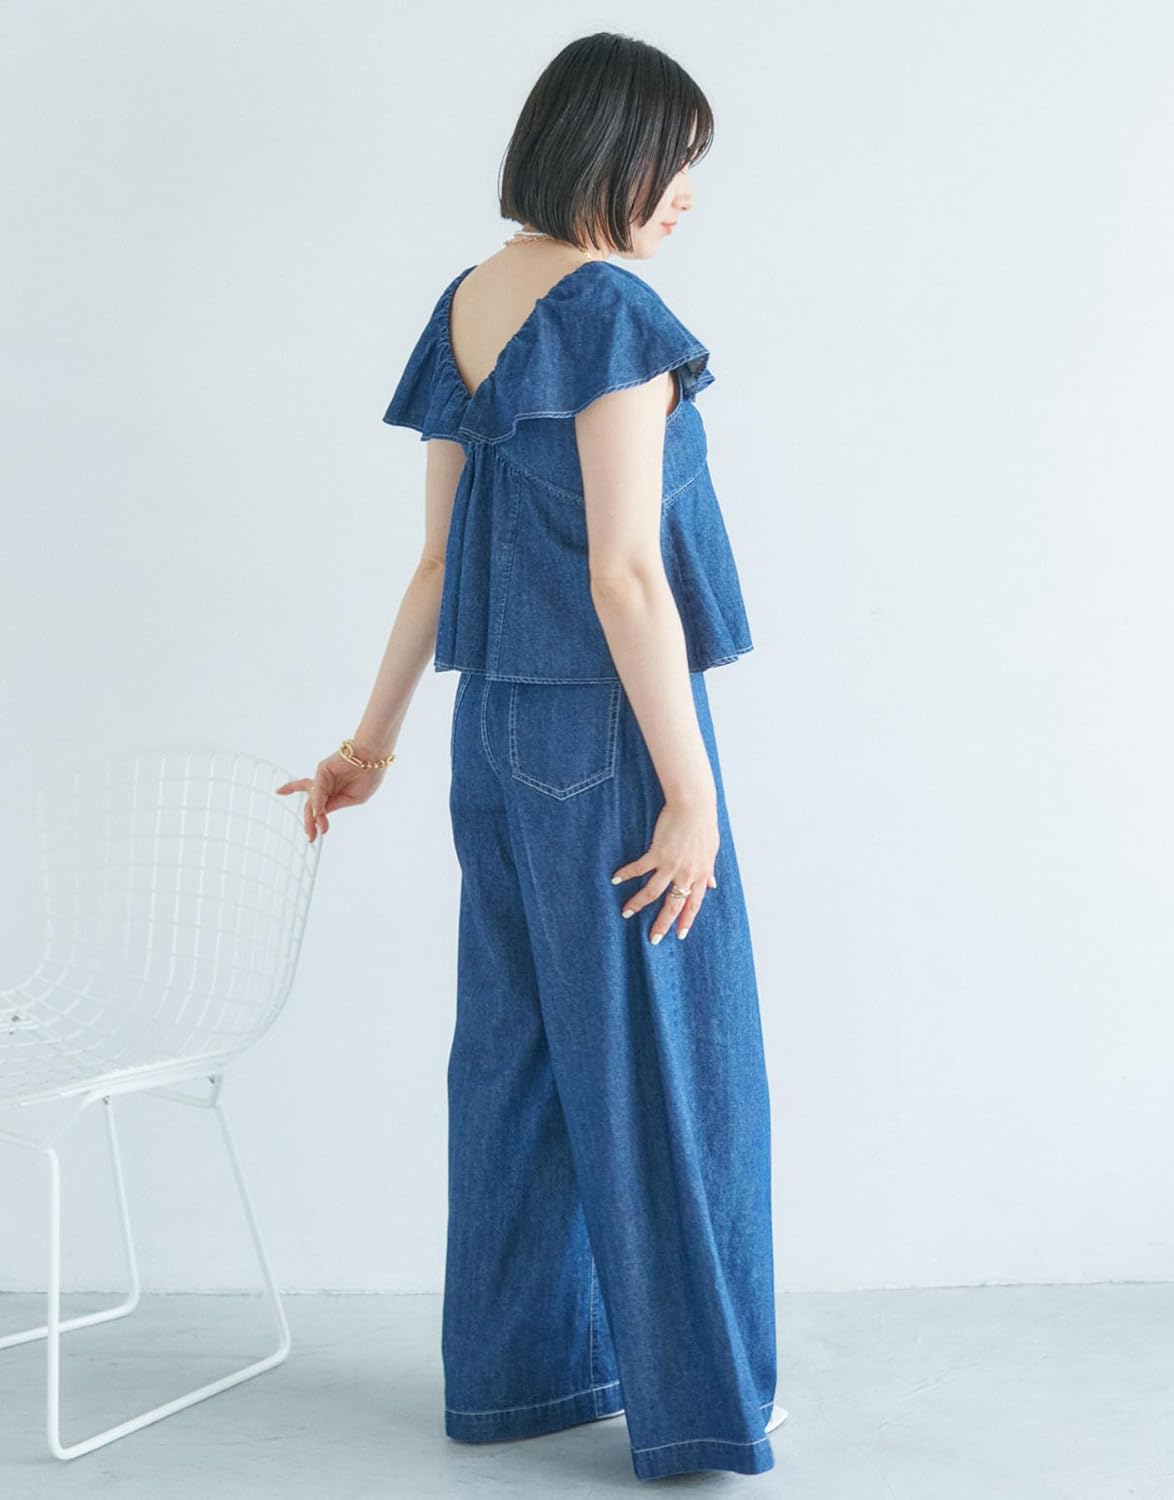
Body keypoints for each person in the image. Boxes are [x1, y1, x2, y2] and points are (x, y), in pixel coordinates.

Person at [278, 31, 783, 1483]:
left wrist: (369, 743)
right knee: (670, 1063)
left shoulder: (468, 302)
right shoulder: (612, 312)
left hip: (491, 736)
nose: (686, 191)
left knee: (517, 1059)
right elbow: (626, 577)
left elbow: (438, 561)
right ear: (607, 152)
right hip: (608, 738)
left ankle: (522, 1378)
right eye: (673, 160)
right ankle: (702, 1405)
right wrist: (689, 793)